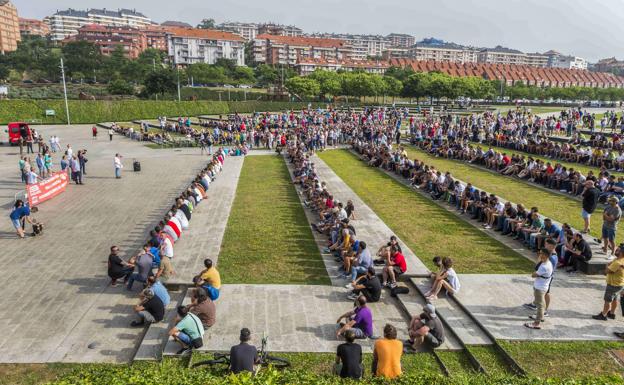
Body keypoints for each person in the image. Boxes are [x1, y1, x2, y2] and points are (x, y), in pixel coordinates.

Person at [592, 244, 624, 321]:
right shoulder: (620, 260)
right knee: (614, 299)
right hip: (620, 284)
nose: (616, 251)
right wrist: (610, 265)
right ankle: (612, 313)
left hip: (613, 284)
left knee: (608, 300)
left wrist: (607, 266)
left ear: (622, 252)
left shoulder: (617, 262)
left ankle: (603, 315)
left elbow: (606, 271)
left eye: (618, 250)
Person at [525, 248, 553, 329]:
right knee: (540, 304)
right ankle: (541, 317)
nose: (539, 254)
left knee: (540, 305)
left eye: (541, 253)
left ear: (545, 255)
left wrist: (536, 270)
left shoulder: (544, 266)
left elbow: (533, 274)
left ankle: (536, 323)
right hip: (542, 287)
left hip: (540, 288)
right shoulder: (548, 263)